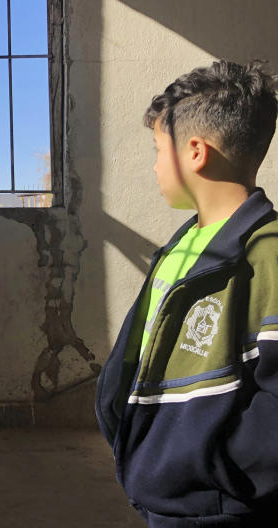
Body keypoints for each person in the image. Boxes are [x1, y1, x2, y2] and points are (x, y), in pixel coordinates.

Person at [95, 60, 278, 527]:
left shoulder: (268, 254)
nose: (155, 164)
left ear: (195, 152)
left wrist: (214, 471)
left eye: (158, 148)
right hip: (165, 493)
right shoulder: (184, 244)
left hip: (215, 505)